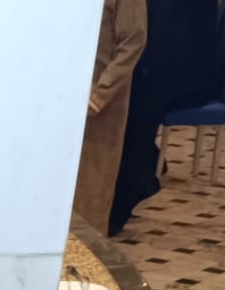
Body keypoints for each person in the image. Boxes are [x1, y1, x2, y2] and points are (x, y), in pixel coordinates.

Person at [110, 0, 219, 235]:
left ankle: (122, 198)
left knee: (131, 98)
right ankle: (143, 166)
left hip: (184, 70)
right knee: (118, 89)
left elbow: (163, 38)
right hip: (162, 58)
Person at [74, 0, 148, 232]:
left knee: (89, 196)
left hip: (99, 107)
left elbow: (133, 41)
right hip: (55, 100)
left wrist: (101, 93)